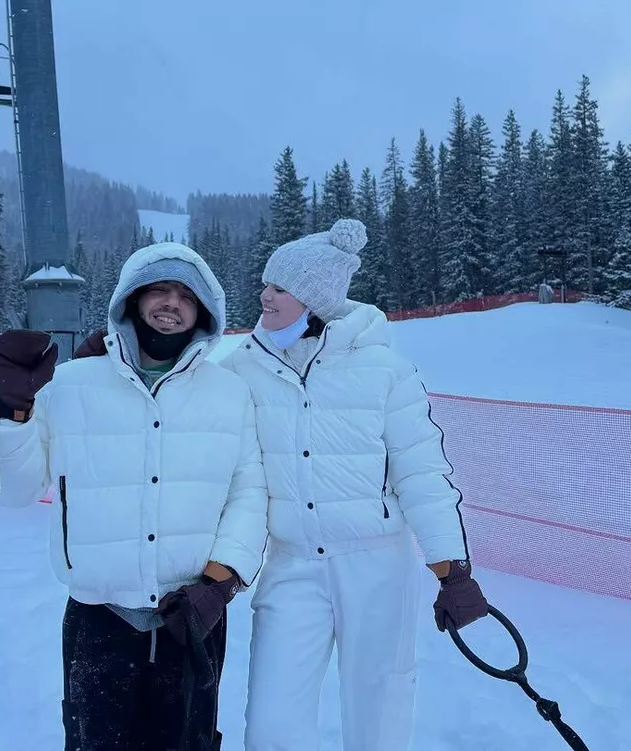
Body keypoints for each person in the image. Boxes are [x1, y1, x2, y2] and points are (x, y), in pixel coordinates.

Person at [0, 241, 269, 751]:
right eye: (160, 290)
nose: (172, 303)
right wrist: (12, 410)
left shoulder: (229, 393)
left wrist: (219, 584)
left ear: (204, 312)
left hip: (192, 616)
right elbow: (13, 492)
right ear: (131, 299)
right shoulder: (71, 384)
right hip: (99, 618)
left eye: (187, 296)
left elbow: (250, 493)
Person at [221, 218, 489, 750]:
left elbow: (421, 473)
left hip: (377, 566)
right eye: (266, 284)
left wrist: (452, 570)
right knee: (272, 725)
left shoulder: (385, 370)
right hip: (291, 564)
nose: (264, 295)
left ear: (315, 299)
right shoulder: (241, 369)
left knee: (378, 719)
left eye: (280, 287)